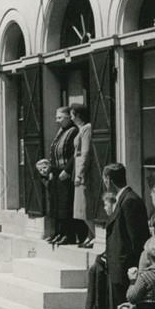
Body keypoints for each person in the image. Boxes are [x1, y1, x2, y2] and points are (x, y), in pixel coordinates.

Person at [102, 162, 150, 309]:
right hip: (116, 266)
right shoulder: (124, 198)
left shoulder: (130, 201)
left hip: (125, 269)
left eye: (105, 180)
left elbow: (136, 239)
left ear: (109, 180)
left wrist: (132, 270)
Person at [43, 107, 78, 245]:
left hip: (66, 173)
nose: (57, 121)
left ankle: (68, 234)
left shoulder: (74, 131)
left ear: (69, 117)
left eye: (60, 118)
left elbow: (75, 154)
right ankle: (58, 233)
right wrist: (50, 169)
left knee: (65, 204)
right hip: (56, 171)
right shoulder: (61, 132)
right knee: (56, 204)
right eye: (56, 118)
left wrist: (68, 170)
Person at [70, 104, 95, 247]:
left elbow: (85, 152)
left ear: (78, 115)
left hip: (83, 172)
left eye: (72, 114)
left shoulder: (87, 129)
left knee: (84, 205)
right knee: (80, 207)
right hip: (77, 168)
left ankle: (94, 234)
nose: (71, 117)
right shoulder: (81, 129)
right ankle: (90, 235)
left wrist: (80, 174)